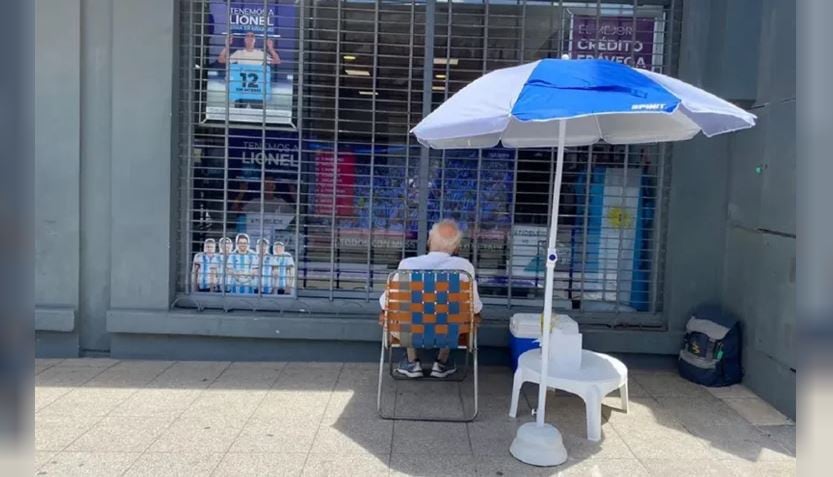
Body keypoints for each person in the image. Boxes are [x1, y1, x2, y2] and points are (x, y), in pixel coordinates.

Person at [379, 219, 483, 378]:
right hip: (450, 332)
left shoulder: (407, 265)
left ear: (429, 241)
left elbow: (385, 303)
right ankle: (441, 363)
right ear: (456, 247)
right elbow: (475, 307)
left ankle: (412, 362)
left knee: (404, 313)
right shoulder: (464, 268)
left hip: (410, 332)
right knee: (457, 316)